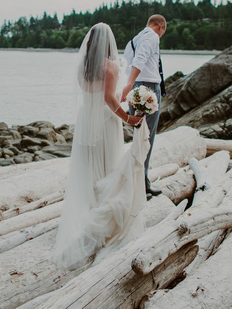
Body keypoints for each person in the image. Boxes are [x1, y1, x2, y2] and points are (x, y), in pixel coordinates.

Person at [51, 23, 150, 270]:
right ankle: (100, 218)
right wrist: (129, 119)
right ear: (108, 44)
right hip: (105, 123)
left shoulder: (83, 66)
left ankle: (86, 210)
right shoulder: (111, 66)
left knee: (87, 167)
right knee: (109, 166)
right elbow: (109, 99)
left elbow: (96, 94)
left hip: (86, 119)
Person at [121, 14, 166, 200]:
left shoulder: (135, 39)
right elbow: (140, 58)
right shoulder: (152, 36)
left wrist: (131, 84)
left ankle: (138, 181)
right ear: (161, 26)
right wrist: (129, 84)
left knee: (138, 137)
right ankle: (142, 185)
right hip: (147, 87)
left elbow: (131, 61)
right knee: (147, 138)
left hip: (137, 87)